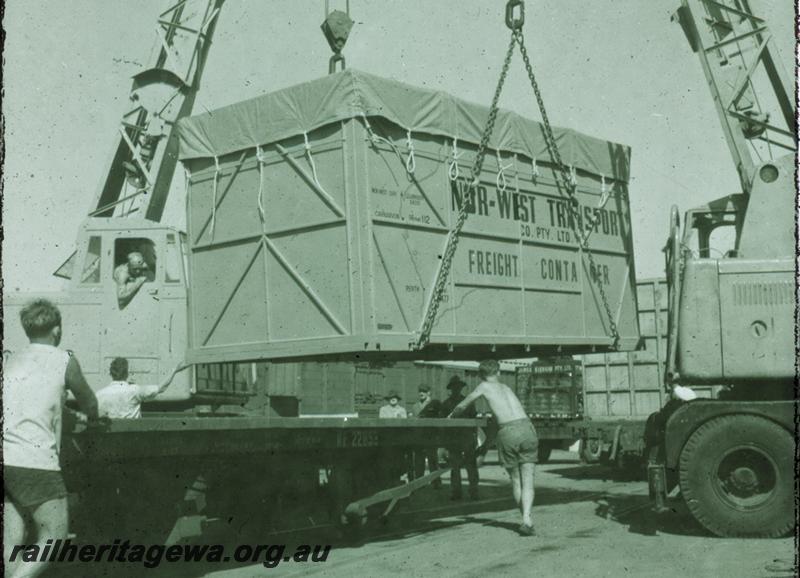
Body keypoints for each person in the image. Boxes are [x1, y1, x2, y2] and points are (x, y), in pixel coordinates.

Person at [3, 299, 101, 578]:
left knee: (12, 540)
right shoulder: (64, 359)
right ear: (56, 330)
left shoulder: (11, 359)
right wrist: (91, 420)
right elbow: (90, 403)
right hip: (35, 461)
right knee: (55, 534)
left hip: (6, 457)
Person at [447, 360, 538, 536]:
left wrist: (451, 416)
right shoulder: (507, 388)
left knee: (516, 480)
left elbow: (463, 404)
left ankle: (527, 520)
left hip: (509, 431)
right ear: (498, 372)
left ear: (481, 375)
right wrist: (486, 446)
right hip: (528, 428)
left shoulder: (483, 387)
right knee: (528, 479)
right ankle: (527, 517)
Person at [96, 357, 189, 419]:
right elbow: (161, 388)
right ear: (127, 373)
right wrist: (174, 370)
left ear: (111, 374)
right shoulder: (134, 390)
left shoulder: (99, 395)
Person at [441, 376, 480, 500]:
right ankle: (458, 492)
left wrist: (474, 438)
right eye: (454, 387)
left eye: (458, 387)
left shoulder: (467, 402)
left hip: (465, 438)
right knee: (457, 467)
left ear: (460, 388)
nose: (456, 389)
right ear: (451, 389)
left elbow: (474, 421)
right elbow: (443, 425)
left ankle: (473, 491)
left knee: (469, 466)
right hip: (455, 439)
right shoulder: (447, 404)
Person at [410, 385, 443, 487]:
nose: (421, 393)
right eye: (420, 391)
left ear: (429, 392)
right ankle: (420, 483)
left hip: (431, 436)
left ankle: (436, 482)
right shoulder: (415, 406)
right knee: (419, 461)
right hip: (419, 437)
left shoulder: (435, 404)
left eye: (424, 391)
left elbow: (440, 418)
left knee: (433, 460)